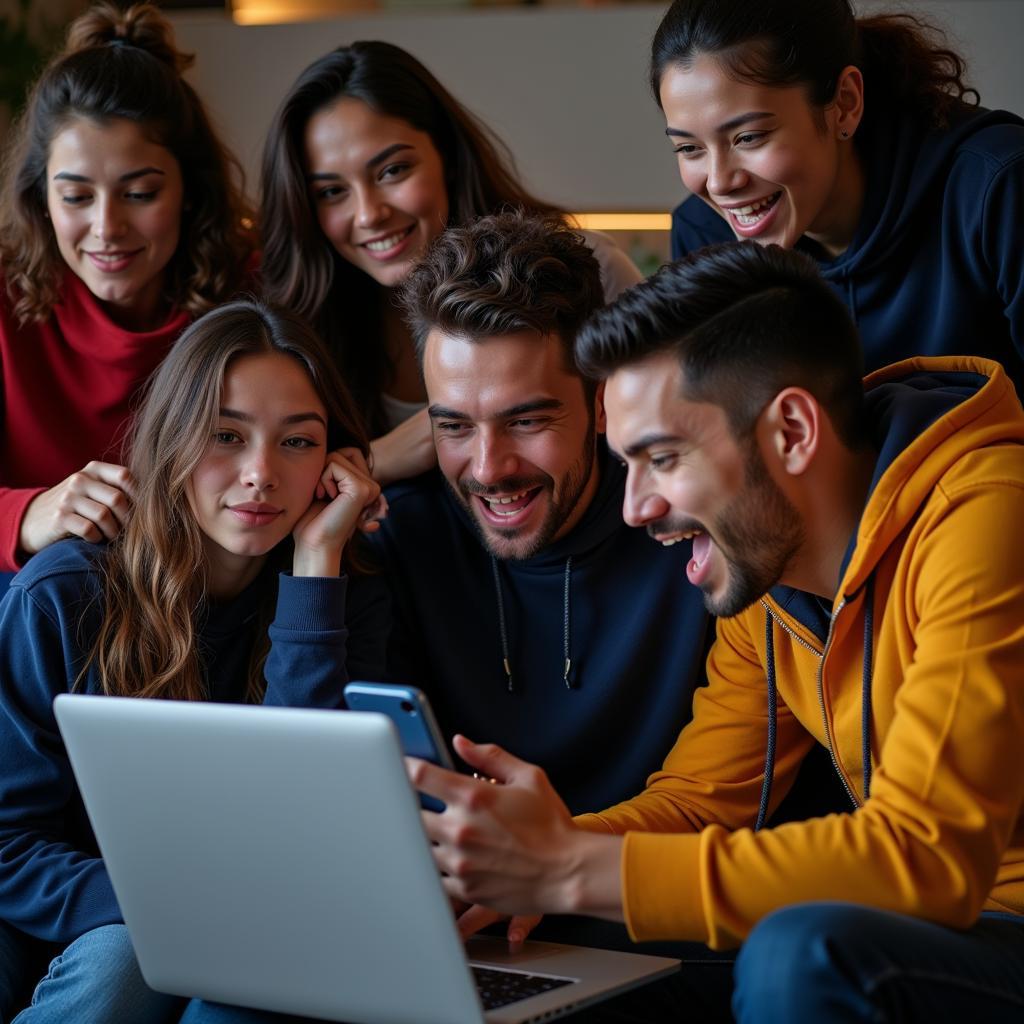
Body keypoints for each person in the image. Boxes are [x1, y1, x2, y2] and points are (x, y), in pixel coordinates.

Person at [408, 241, 1024, 1023]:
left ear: (792, 432)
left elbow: (930, 857)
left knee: (802, 955)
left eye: (662, 458)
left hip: (990, 920)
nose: (636, 508)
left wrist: (570, 868)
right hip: (931, 930)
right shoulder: (767, 572)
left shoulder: (989, 515)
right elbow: (702, 803)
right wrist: (514, 859)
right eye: (627, 462)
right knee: (532, 942)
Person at [0, 299, 387, 1024]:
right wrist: (178, 911)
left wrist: (314, 570)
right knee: (126, 959)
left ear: (336, 462)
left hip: (252, 929)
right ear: (172, 438)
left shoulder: (341, 593)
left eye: (298, 443)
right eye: (225, 435)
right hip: (60, 912)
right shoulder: (65, 592)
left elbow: (308, 827)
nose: (260, 474)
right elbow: (6, 843)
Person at [369, 210, 710, 943]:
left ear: (599, 403)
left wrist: (554, 864)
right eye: (453, 426)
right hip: (464, 938)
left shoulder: (693, 529)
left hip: (656, 935)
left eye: (526, 421)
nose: (489, 469)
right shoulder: (396, 536)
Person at [259, 40, 642, 486]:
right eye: (331, 192)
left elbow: (661, 437)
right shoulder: (305, 325)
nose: (368, 214)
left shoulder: (587, 270)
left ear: (448, 158)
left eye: (392, 171)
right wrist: (381, 457)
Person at [0, 1, 254, 577]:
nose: (107, 228)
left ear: (190, 190)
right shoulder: (4, 295)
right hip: (34, 597)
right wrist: (33, 512)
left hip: (206, 588)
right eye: (76, 196)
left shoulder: (252, 289)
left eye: (139, 193)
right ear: (41, 196)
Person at [654, 0, 1024, 392]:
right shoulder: (705, 235)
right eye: (689, 148)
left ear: (845, 103)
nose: (718, 183)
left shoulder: (997, 186)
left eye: (749, 137)